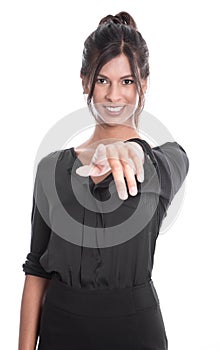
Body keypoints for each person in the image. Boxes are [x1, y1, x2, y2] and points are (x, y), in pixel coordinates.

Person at [18, 11, 189, 350]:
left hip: (136, 332)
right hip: (60, 330)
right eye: (102, 80)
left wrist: (136, 151)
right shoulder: (52, 169)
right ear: (85, 81)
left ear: (144, 83)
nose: (114, 96)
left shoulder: (160, 165)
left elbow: (178, 157)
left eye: (127, 81)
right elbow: (37, 268)